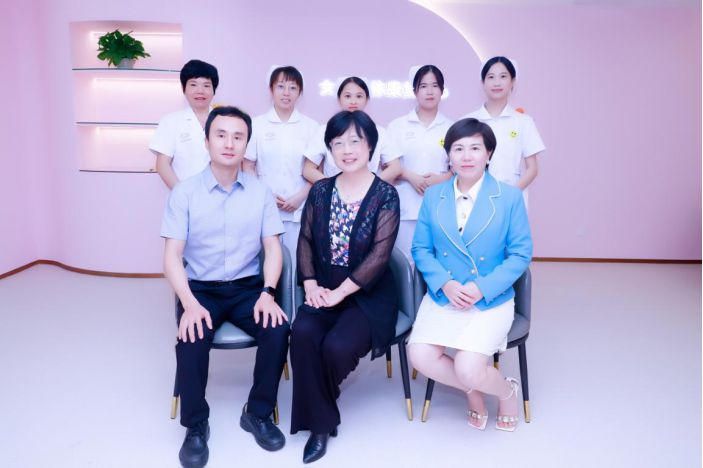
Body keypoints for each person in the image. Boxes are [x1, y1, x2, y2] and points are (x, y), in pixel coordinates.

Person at [161, 106, 291, 468]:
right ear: (207, 142)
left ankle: (257, 413)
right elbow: (171, 257)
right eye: (221, 135)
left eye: (238, 136)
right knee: (191, 338)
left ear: (247, 144)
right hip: (200, 290)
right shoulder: (185, 193)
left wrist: (268, 292)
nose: (229, 143)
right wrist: (188, 303)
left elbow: (273, 249)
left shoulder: (260, 192)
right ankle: (195, 425)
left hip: (248, 288)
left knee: (278, 329)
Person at [408, 118, 532, 432]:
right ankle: (472, 392)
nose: (466, 156)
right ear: (448, 155)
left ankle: (506, 392)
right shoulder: (434, 196)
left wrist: (481, 288)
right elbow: (421, 249)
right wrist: (445, 284)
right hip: (445, 295)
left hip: (489, 298)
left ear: (489, 154)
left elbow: (520, 255)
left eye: (475, 148)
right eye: (458, 148)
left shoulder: (509, 197)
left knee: (468, 367)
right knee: (419, 356)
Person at [291, 110, 400, 463]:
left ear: (370, 146)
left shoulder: (386, 195)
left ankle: (318, 412)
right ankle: (322, 424)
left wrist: (339, 294)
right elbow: (305, 239)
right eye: (338, 143)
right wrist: (310, 284)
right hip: (323, 286)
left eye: (355, 141)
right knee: (302, 334)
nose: (347, 150)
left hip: (368, 294)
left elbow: (380, 256)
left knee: (337, 347)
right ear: (330, 150)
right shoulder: (321, 190)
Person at [243, 66, 319, 264]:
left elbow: (316, 170)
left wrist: (299, 197)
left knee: (298, 263)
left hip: (300, 207)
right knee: (265, 264)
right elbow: (248, 166)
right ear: (271, 90)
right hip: (265, 204)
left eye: (293, 88)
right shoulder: (256, 125)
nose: (287, 93)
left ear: (299, 93)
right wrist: (266, 194)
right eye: (281, 86)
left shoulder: (311, 127)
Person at [387, 65, 453, 260]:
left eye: (435, 85)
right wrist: (410, 176)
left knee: (438, 261)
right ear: (415, 91)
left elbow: (459, 169)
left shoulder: (452, 127)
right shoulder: (397, 126)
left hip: (441, 205)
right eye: (423, 86)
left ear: (442, 90)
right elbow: (386, 166)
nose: (429, 91)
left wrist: (441, 178)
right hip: (405, 206)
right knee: (405, 262)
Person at [464, 56, 545, 205]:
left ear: (512, 81)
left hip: (511, 200)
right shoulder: (468, 121)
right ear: (483, 82)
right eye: (491, 77)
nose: (497, 83)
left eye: (503, 76)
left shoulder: (524, 122)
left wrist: (510, 194)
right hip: (474, 200)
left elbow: (532, 169)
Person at [302, 76, 402, 184]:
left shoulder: (379, 131)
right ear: (339, 99)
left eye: (359, 96)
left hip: (370, 193)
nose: (353, 101)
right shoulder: (324, 130)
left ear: (367, 100)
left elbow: (395, 167)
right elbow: (308, 170)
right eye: (347, 96)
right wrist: (332, 187)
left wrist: (371, 187)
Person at [150, 59, 219, 189]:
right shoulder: (170, 121)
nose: (200, 91)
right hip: (183, 195)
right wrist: (182, 194)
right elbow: (162, 165)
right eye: (193, 84)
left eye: (206, 85)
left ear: (213, 90)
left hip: (220, 196)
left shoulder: (223, 120)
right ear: (183, 88)